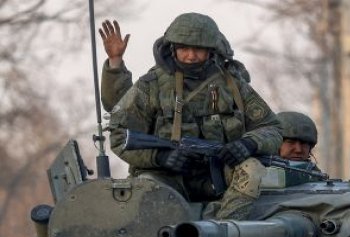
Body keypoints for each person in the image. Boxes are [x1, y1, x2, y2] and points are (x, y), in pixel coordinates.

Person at [107, 13, 282, 220]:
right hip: (167, 176)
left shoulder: (232, 84)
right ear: (173, 48)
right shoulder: (151, 85)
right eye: (184, 49)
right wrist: (160, 157)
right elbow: (120, 136)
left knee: (251, 170)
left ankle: (225, 230)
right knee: (146, 187)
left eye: (199, 49)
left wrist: (248, 144)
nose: (191, 56)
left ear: (211, 50)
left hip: (220, 173)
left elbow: (272, 127)